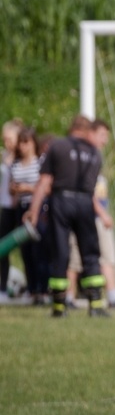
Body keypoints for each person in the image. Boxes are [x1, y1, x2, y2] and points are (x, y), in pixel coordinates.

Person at [23, 115, 109, 318]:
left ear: (71, 128)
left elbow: (44, 182)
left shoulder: (58, 146)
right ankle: (96, 305)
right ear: (87, 131)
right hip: (85, 203)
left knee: (60, 253)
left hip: (61, 201)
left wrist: (33, 210)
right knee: (90, 252)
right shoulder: (95, 154)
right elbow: (93, 189)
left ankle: (59, 308)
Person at [65, 119, 115, 309]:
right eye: (102, 135)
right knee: (75, 260)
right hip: (86, 216)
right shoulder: (82, 157)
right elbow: (85, 192)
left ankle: (112, 296)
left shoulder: (94, 155)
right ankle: (68, 298)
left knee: (107, 256)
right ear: (90, 133)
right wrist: (102, 213)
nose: (105, 141)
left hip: (95, 216)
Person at [9, 127, 49, 304]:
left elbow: (45, 188)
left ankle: (43, 289)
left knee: (39, 249)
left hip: (38, 208)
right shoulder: (15, 164)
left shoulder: (41, 162)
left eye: (26, 142)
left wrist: (28, 188)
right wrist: (14, 190)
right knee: (25, 250)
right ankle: (32, 289)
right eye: (21, 142)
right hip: (21, 207)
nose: (23, 146)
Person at [1, 119, 24, 301]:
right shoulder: (4, 157)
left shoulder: (20, 161)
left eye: (9, 139)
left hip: (18, 209)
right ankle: (2, 289)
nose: (6, 143)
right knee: (3, 249)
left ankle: (35, 289)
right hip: (5, 209)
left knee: (27, 250)